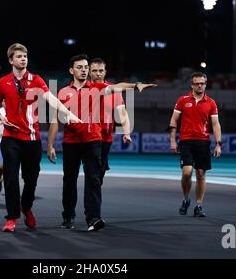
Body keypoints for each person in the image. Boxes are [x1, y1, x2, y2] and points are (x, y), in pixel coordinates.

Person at [47, 54, 155, 231]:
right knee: (69, 181)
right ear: (71, 70)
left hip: (93, 140)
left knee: (94, 180)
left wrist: (136, 86)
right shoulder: (62, 92)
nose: (84, 70)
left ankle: (93, 219)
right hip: (71, 142)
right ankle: (68, 216)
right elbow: (55, 120)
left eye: (85, 67)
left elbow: (117, 87)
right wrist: (50, 145)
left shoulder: (97, 88)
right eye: (80, 67)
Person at [0, 43, 81, 232]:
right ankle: (12, 217)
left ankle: (26, 206)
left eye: (25, 56)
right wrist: (1, 116)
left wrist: (68, 113)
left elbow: (52, 99)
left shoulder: (36, 80)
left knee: (31, 179)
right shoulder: (3, 82)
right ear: (10, 60)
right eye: (19, 56)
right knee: (10, 178)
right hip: (10, 137)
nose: (23, 59)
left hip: (32, 139)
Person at [168, 72, 222, 217]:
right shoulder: (182, 100)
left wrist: (218, 143)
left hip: (203, 142)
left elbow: (216, 124)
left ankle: (199, 205)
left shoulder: (211, 103)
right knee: (187, 173)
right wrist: (173, 140)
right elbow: (173, 121)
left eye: (202, 83)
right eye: (197, 83)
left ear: (205, 84)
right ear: (192, 85)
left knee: (200, 174)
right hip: (186, 141)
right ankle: (186, 199)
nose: (199, 85)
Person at [89, 58, 132, 185]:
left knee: (99, 176)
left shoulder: (114, 91)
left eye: (100, 70)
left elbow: (122, 113)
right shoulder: (84, 89)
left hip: (105, 138)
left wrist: (127, 132)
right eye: (94, 71)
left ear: (105, 72)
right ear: (89, 72)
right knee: (92, 172)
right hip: (88, 138)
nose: (98, 73)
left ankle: (94, 200)